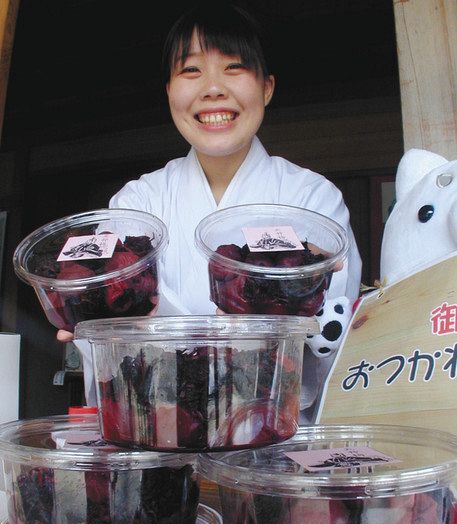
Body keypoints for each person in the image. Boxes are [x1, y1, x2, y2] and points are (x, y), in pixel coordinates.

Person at [61, 1, 362, 417]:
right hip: (159, 432)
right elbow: (112, 328)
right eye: (191, 70)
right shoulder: (137, 203)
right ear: (169, 91)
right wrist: (88, 319)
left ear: (267, 88)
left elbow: (330, 337)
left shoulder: (311, 198)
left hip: (271, 436)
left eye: (234, 67)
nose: (213, 87)